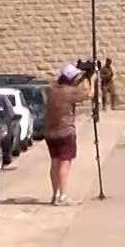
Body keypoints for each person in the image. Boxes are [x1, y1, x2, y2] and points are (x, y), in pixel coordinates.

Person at [44, 61, 96, 206]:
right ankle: (63, 195)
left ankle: (55, 194)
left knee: (54, 162)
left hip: (50, 131)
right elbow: (89, 95)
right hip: (65, 131)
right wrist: (92, 79)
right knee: (64, 163)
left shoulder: (52, 90)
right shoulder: (69, 92)